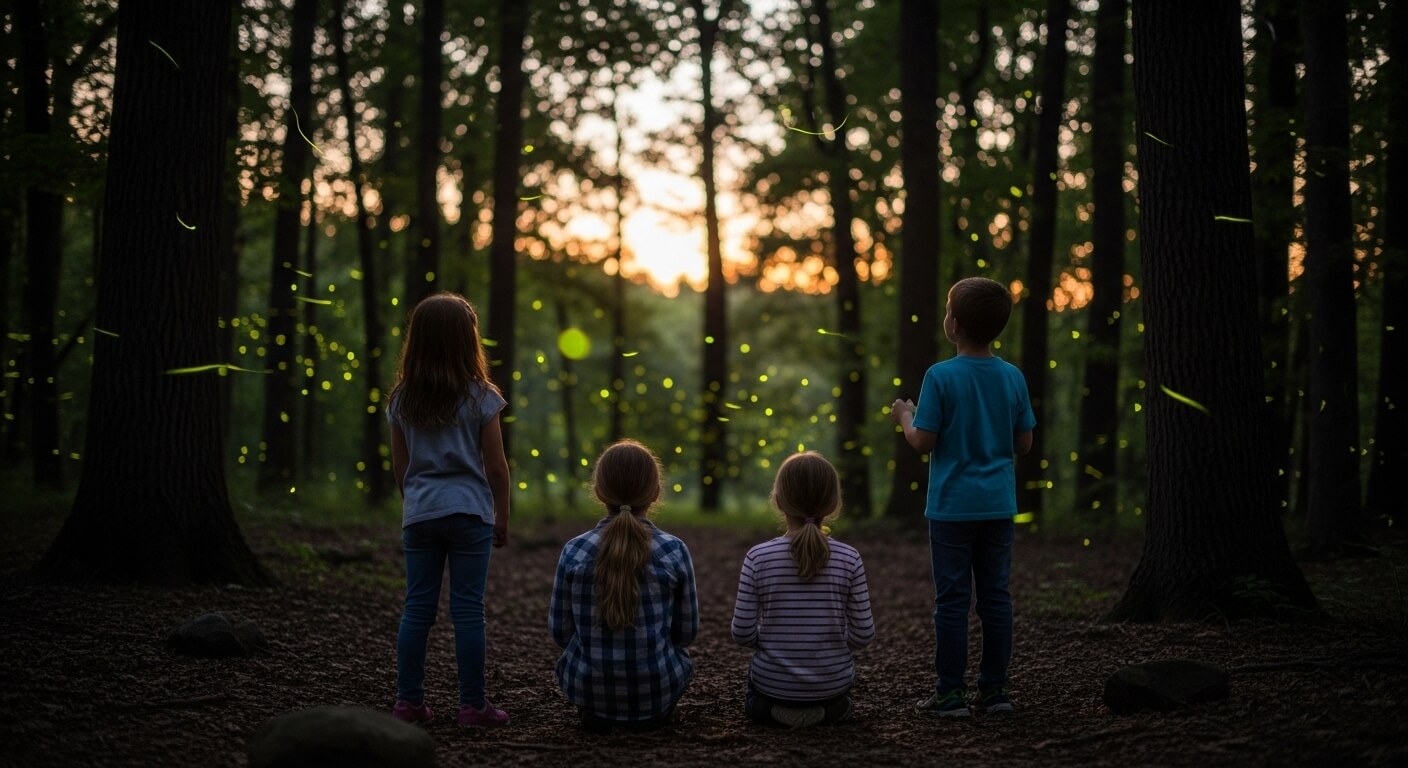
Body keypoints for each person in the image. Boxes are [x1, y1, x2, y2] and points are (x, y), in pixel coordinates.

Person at [889, 276, 1035, 719]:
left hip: (952, 507)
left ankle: (950, 694)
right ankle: (995, 692)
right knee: (996, 597)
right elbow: (1024, 444)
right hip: (998, 505)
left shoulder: (940, 376)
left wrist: (905, 415)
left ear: (953, 324)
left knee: (952, 600)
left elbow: (924, 443)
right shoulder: (1012, 376)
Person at [386, 292, 511, 728]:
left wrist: (416, 505)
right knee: (467, 610)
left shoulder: (402, 399)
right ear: (467, 340)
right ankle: (473, 707)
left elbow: (401, 466)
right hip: (470, 513)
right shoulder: (481, 397)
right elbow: (496, 466)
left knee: (417, 607)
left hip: (420, 511)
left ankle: (408, 703)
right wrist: (503, 515)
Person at [549, 440, 699, 733]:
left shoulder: (574, 550)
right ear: (655, 493)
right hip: (657, 693)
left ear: (598, 492)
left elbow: (560, 633)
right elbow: (686, 634)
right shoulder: (674, 550)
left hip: (589, 691)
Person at [731, 452, 875, 729]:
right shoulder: (850, 558)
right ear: (833, 504)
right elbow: (863, 633)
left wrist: (775, 643)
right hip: (831, 683)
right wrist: (830, 648)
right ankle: (828, 711)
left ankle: (773, 711)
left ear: (778, 500)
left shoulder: (757, 557)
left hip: (772, 684)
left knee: (754, 702)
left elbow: (742, 633)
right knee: (841, 702)